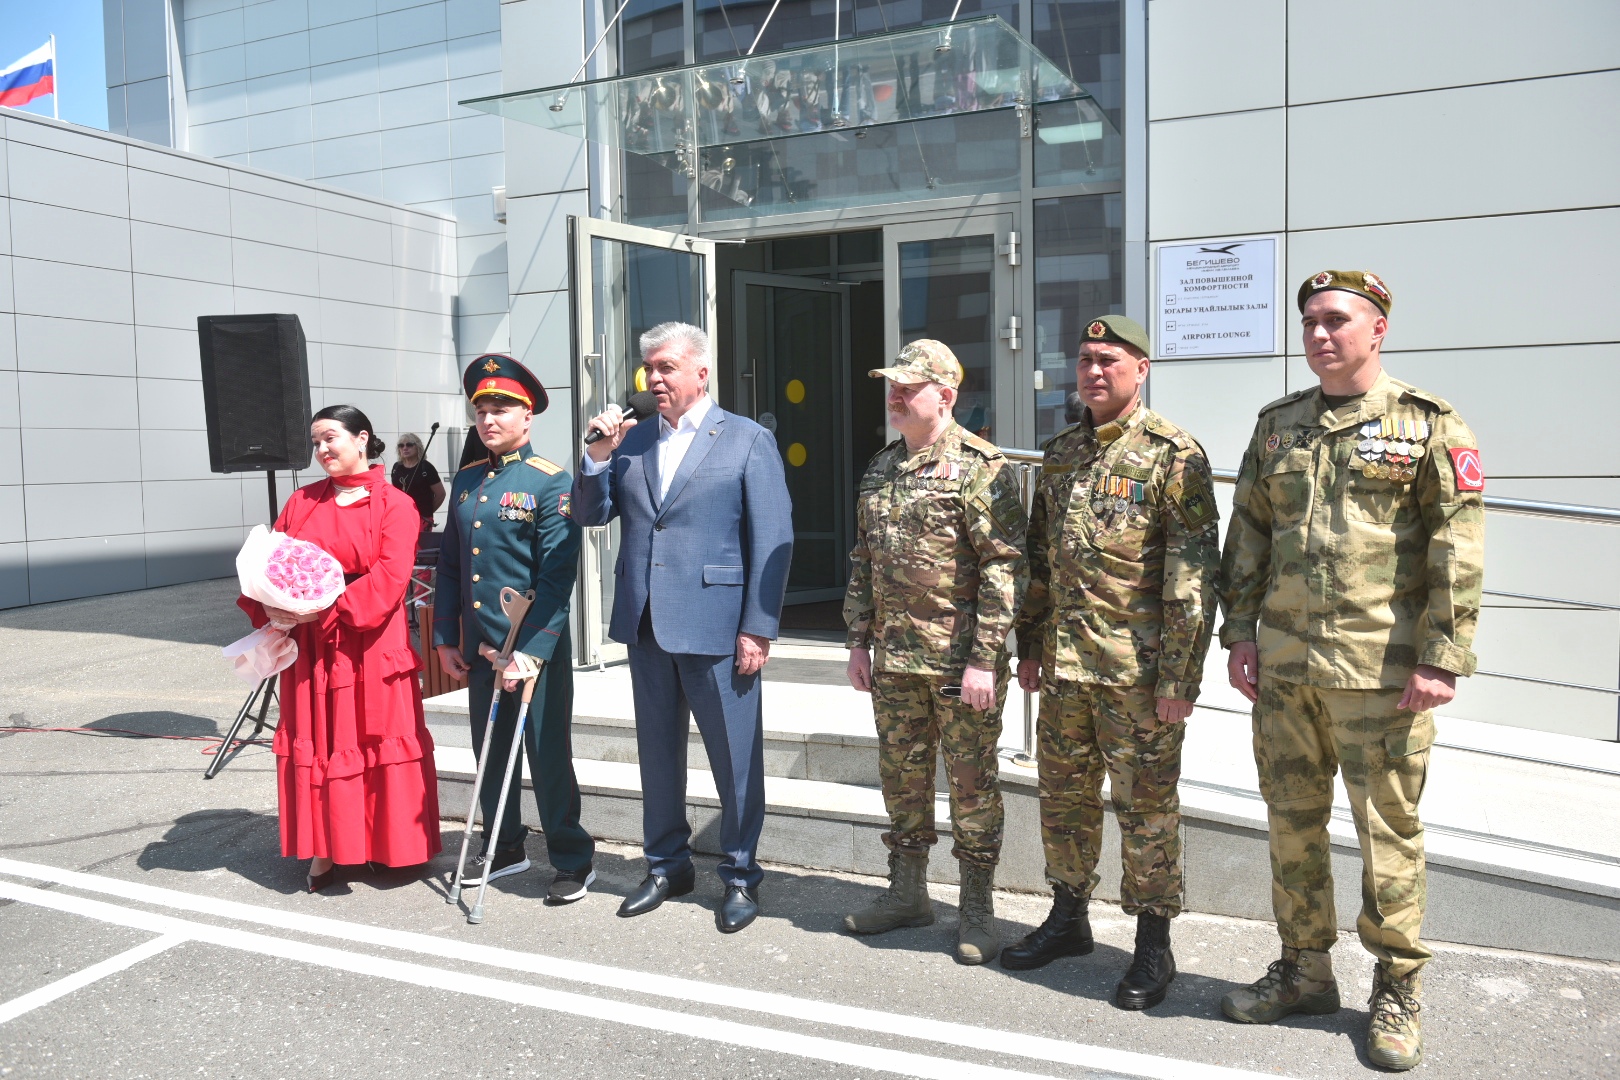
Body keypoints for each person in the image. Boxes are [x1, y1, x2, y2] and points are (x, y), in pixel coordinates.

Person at [1217, 271, 1485, 1071]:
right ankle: (1304, 971)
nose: (1319, 334)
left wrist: (1442, 655)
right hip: (1286, 670)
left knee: (1387, 835)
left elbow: (1456, 547)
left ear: (1378, 330)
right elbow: (1249, 533)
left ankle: (1397, 989)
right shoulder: (1278, 426)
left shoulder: (1428, 424)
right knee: (1291, 825)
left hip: (1381, 673)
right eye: (1309, 322)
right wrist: (1240, 633)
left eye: (1336, 320)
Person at [1003, 315, 1219, 1010]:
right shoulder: (1061, 453)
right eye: (1086, 360)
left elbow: (1193, 575)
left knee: (1146, 809)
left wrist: (1180, 678)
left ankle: (1153, 942)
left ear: (1141, 370)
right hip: (1065, 668)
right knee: (1064, 799)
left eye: (1110, 360)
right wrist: (1029, 646)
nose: (1094, 371)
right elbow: (1040, 560)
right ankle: (1068, 917)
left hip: (1137, 675)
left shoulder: (1173, 455)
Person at [574, 321, 793, 934]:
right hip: (646, 623)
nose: (654, 378)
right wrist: (597, 457)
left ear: (701, 371)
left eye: (666, 366)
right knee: (657, 754)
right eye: (648, 368)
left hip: (719, 626)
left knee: (735, 760)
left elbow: (772, 537)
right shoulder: (633, 441)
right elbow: (591, 515)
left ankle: (741, 876)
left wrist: (758, 627)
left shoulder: (747, 439)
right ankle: (667, 866)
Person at [841, 340, 1027, 966]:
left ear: (945, 396)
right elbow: (864, 559)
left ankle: (976, 906)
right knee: (902, 779)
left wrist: (985, 658)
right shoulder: (881, 466)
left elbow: (1005, 567)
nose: (894, 396)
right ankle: (907, 893)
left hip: (957, 663)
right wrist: (858, 641)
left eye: (908, 387)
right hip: (894, 660)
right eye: (891, 386)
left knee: (971, 787)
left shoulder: (981, 466)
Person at [236, 404, 441, 892]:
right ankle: (325, 848)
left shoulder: (396, 504)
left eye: (330, 438)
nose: (322, 449)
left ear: (362, 438)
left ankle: (386, 844)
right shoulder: (302, 501)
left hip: (369, 637)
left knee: (374, 736)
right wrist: (275, 606)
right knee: (322, 738)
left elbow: (391, 576)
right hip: (312, 644)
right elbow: (271, 564)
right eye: (316, 443)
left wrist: (322, 610)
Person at [433, 355, 597, 903]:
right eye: (481, 410)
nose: (488, 419)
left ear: (528, 417)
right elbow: (452, 564)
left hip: (532, 646)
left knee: (547, 754)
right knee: (491, 749)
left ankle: (572, 858)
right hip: (483, 645)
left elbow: (557, 576)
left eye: (501, 409)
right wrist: (445, 638)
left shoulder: (551, 483)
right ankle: (504, 846)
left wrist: (529, 652)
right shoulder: (467, 479)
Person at [391, 432, 445, 530]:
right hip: (400, 518)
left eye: (409, 445)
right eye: (401, 445)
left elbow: (441, 494)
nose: (405, 448)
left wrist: (427, 513)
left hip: (421, 520)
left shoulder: (426, 468)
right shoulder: (396, 467)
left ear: (417, 447)